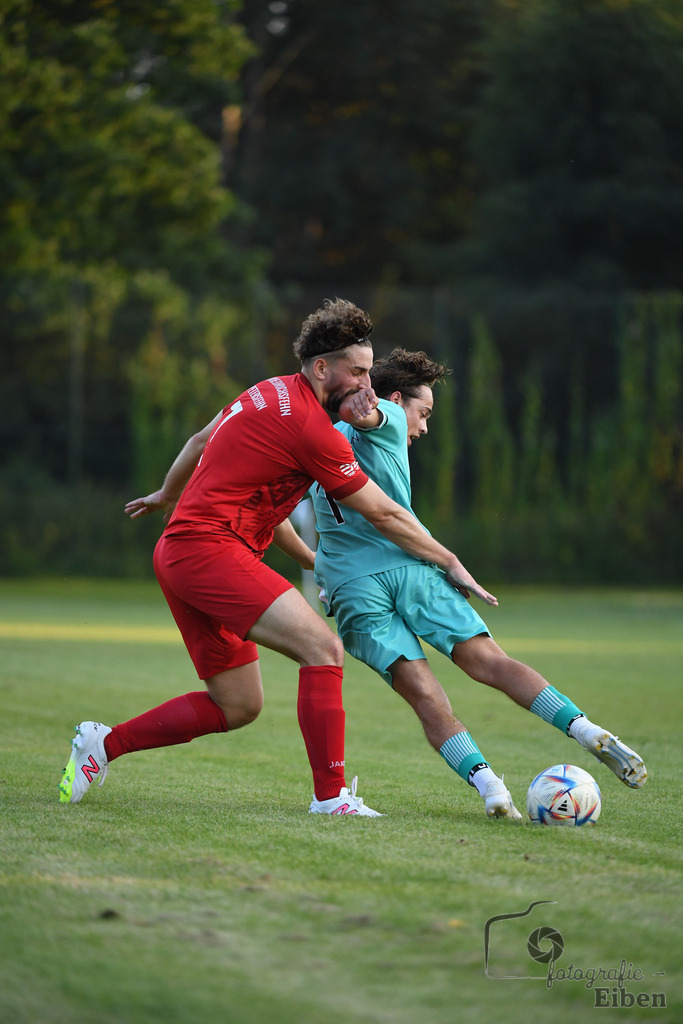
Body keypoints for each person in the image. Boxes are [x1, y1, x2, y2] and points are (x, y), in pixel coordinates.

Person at [58, 300, 498, 816]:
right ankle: (331, 798)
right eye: (357, 373)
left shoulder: (268, 390)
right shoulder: (313, 430)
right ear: (321, 368)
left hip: (182, 552)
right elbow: (383, 514)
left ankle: (102, 746)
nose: (366, 385)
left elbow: (203, 443)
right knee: (323, 647)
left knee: (237, 704)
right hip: (209, 551)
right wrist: (448, 560)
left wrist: (166, 493)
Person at [310, 348, 647, 819]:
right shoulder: (384, 414)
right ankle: (587, 731)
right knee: (490, 662)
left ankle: (491, 789)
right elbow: (369, 417)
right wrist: (362, 407)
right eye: (423, 413)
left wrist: (327, 573)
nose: (423, 427)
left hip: (353, 589)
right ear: (394, 399)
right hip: (411, 568)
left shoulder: (315, 437)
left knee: (425, 696)